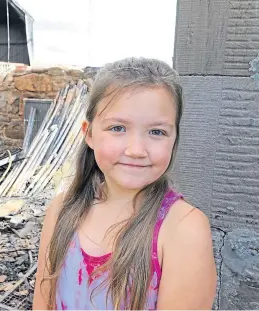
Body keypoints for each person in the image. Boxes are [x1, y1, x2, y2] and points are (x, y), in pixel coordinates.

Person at [32, 57, 217, 310]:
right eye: (118, 128)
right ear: (89, 133)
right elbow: (43, 302)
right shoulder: (61, 211)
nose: (136, 150)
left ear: (174, 138)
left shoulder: (183, 230)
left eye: (157, 132)